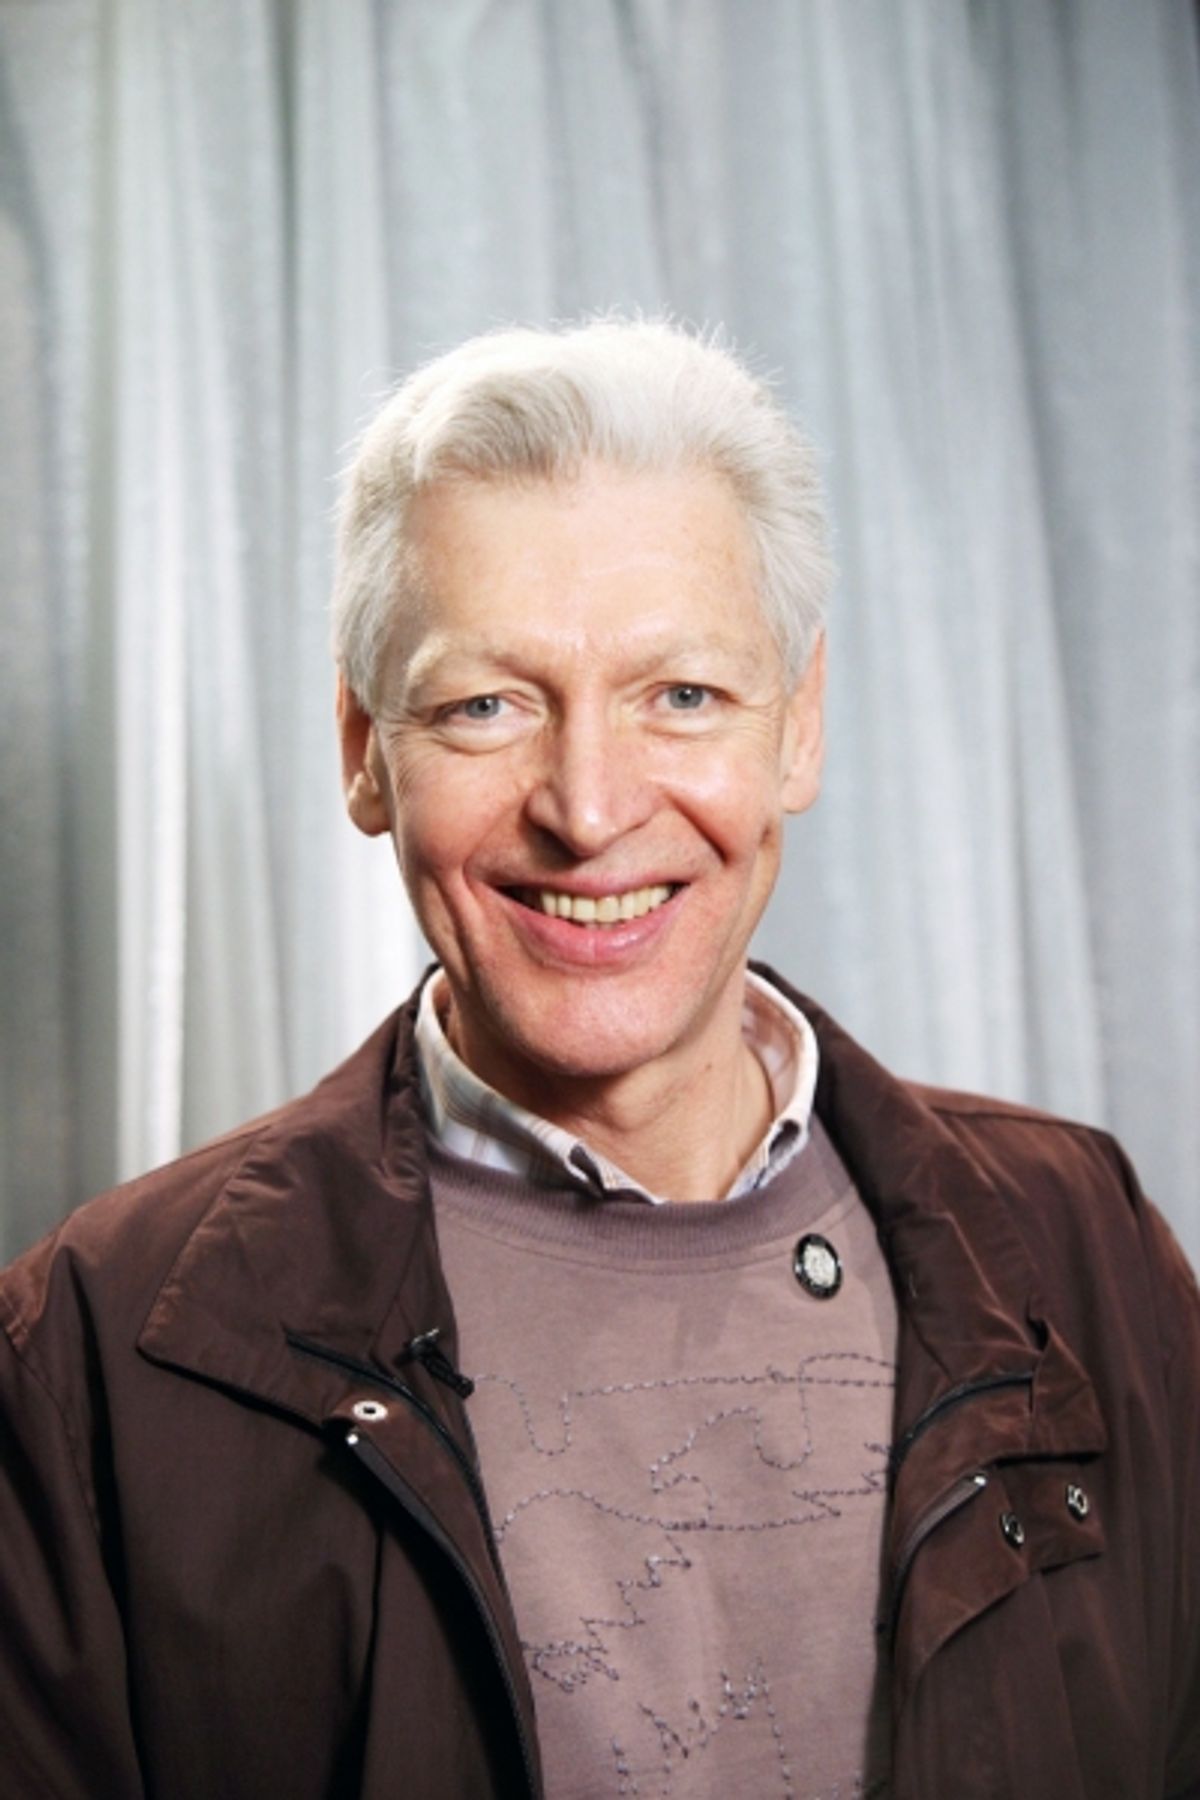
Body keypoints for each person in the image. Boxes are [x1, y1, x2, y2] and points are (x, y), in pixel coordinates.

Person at [1, 319, 1197, 1800]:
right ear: (364, 747)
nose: (587, 806)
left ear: (798, 725)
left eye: (681, 695)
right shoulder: (96, 1349)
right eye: (485, 706)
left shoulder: (1088, 1247)